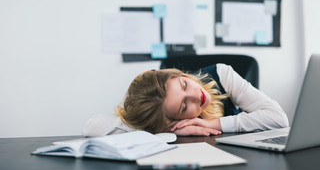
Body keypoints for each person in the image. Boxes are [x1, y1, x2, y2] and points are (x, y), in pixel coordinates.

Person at [82, 64, 289, 137]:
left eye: (184, 84)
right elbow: (91, 128)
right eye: (184, 106)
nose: (195, 95)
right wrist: (162, 128)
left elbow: (278, 118)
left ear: (178, 74)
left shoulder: (222, 74)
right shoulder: (166, 124)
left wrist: (212, 123)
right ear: (171, 121)